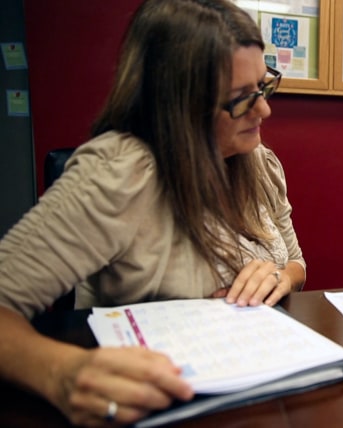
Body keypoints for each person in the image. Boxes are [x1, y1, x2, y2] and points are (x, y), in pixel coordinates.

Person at [0, 0, 306, 425]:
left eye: (264, 87)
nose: (264, 110)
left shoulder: (257, 160)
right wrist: (63, 372)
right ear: (177, 106)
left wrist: (278, 276)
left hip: (253, 394)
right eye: (240, 99)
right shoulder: (118, 175)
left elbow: (296, 263)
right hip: (152, 402)